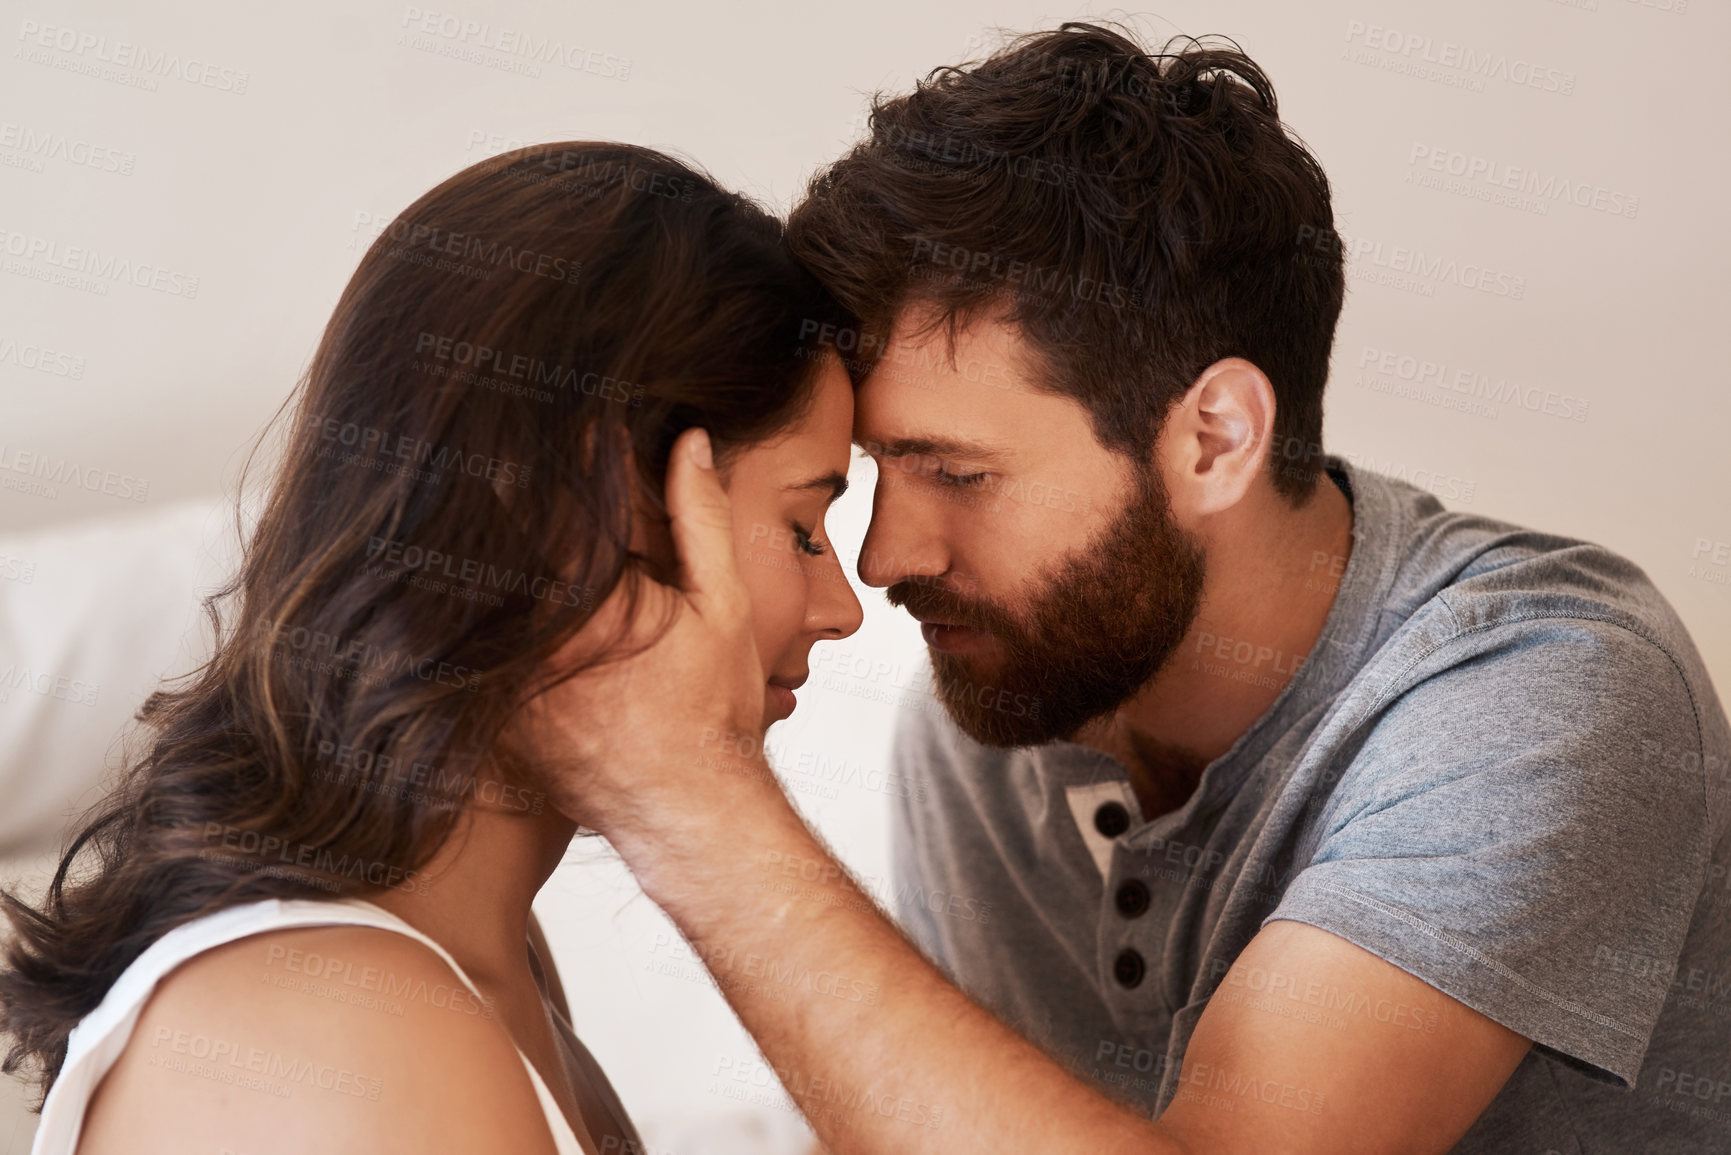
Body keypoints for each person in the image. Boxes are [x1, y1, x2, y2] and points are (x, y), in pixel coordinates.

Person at [530, 23, 1731, 1155]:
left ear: (1214, 439)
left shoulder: (1546, 694)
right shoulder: (994, 730)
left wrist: (683, 794)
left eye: (957, 472)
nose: (885, 558)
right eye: (872, 478)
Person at [0, 142, 862, 1155]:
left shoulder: (472, 967)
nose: (841, 607)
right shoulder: (343, 1040)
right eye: (804, 528)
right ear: (604, 502)